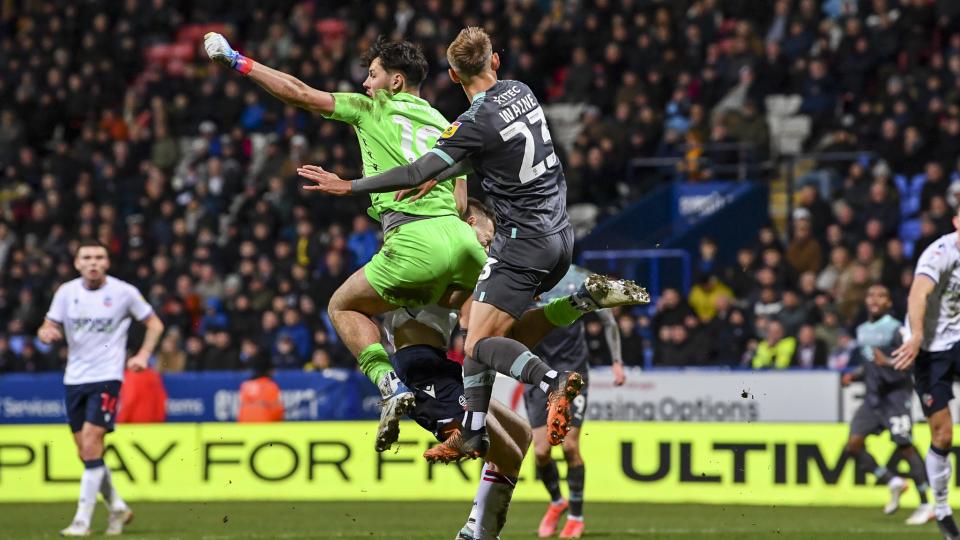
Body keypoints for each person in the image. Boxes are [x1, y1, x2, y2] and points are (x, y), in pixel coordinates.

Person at [297, 26, 648, 462]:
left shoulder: (470, 122)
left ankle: (551, 379)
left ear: (453, 75)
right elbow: (491, 153)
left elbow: (415, 171)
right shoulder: (521, 91)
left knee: (479, 345)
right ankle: (475, 431)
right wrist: (446, 175)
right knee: (490, 335)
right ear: (495, 61)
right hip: (561, 234)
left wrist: (349, 185)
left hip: (521, 243)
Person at [205, 33, 483, 451]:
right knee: (432, 335)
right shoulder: (446, 124)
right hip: (463, 242)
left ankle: (388, 386)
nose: (366, 84)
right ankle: (489, 403)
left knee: (342, 306)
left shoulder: (371, 107)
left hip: (415, 240)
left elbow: (300, 93)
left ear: (395, 82)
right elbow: (461, 203)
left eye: (372, 75)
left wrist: (237, 61)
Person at [37, 240, 165, 536]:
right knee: (86, 451)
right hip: (74, 378)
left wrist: (144, 355)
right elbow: (48, 325)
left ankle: (82, 521)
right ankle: (117, 507)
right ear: (77, 263)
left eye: (98, 257)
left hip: (107, 376)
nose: (93, 262)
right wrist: (46, 333)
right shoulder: (66, 292)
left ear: (107, 262)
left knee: (93, 441)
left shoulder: (124, 292)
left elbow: (155, 324)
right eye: (87, 257)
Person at [526, 265, 624, 539]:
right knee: (541, 452)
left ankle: (576, 518)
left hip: (572, 374)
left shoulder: (581, 279)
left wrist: (617, 361)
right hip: (538, 374)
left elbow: (609, 321)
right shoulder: (528, 277)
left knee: (569, 446)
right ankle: (558, 502)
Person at [893, 204, 960, 540]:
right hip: (929, 349)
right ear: (956, 221)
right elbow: (918, 293)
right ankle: (942, 508)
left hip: (958, 339)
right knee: (943, 436)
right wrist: (917, 336)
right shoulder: (939, 253)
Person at [843, 284, 933, 526]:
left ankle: (926, 504)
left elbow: (912, 361)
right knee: (852, 446)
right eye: (871, 295)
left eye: (881, 296)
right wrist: (854, 375)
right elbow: (870, 363)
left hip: (895, 397)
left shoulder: (897, 329)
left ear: (889, 303)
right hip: (872, 399)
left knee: (906, 447)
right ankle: (892, 481)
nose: (875, 299)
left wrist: (889, 362)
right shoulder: (862, 330)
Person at [237, 357, 284, 423]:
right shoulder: (271, 386)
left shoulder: (245, 385)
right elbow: (278, 411)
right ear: (268, 371)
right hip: (265, 425)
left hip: (244, 426)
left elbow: (240, 412)